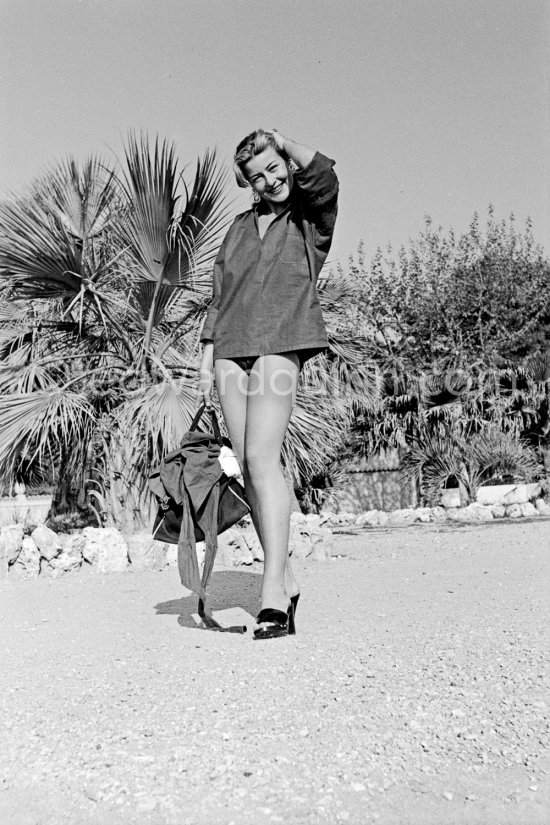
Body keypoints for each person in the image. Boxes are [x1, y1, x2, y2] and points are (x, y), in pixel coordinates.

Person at [198, 128, 339, 639]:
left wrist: (281, 140)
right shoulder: (237, 228)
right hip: (230, 348)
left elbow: (324, 175)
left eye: (275, 167)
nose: (270, 179)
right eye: (258, 175)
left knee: (260, 458)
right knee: (251, 472)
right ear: (248, 182)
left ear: (285, 163)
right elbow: (220, 290)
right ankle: (288, 578)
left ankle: (272, 594)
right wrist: (208, 350)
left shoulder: (308, 217)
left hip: (283, 337)